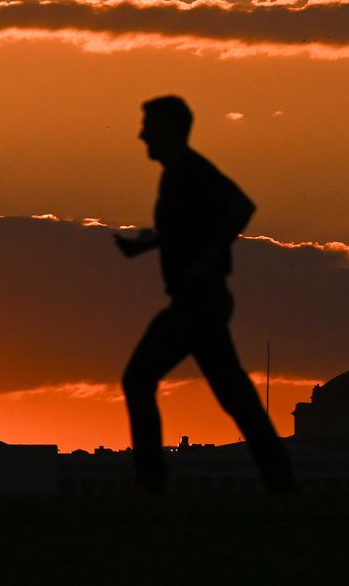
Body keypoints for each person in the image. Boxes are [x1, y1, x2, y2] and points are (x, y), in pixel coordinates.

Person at [114, 95, 294, 493]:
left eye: (149, 126)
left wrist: (208, 258)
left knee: (140, 378)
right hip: (196, 302)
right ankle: (282, 482)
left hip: (199, 302)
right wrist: (145, 246)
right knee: (236, 398)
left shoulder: (191, 170)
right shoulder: (176, 175)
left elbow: (241, 206)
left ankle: (150, 483)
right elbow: (185, 230)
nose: (141, 135)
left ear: (170, 129)